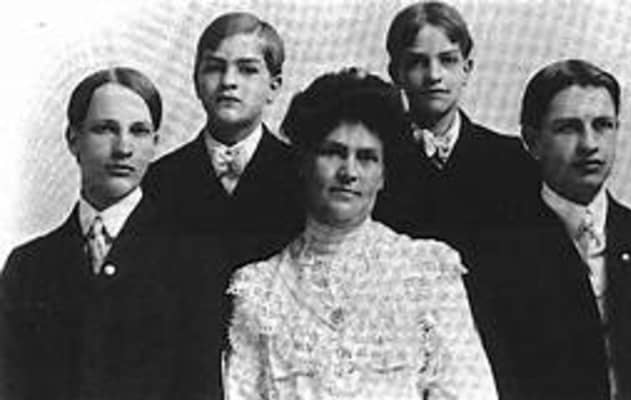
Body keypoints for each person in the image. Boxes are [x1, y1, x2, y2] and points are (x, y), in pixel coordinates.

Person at [222, 69, 497, 399]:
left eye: (367, 158)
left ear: (383, 175)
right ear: (304, 163)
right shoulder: (259, 289)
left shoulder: (426, 271)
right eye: (333, 153)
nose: (349, 172)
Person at [0, 67, 222, 399]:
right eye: (105, 129)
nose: (123, 148)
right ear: (73, 139)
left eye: (139, 131)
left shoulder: (192, 260)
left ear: (155, 144)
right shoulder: (28, 266)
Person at [475, 59, 631, 399]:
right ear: (532, 141)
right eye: (568, 128)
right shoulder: (495, 256)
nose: (589, 144)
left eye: (603, 125)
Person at [374, 0, 539, 255]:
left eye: (448, 60)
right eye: (417, 62)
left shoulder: (510, 159)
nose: (434, 75)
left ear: (467, 69)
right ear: (396, 73)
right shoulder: (375, 157)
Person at [143, 12, 303, 269]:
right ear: (196, 82)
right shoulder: (158, 181)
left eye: (247, 70)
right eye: (215, 68)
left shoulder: (303, 175)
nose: (229, 81)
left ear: (273, 87)